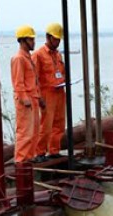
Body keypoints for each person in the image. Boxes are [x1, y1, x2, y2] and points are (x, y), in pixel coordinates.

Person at [32, 23, 66, 161]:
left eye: (59, 39)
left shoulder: (58, 55)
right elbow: (34, 78)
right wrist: (39, 97)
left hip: (59, 91)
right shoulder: (38, 55)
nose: (57, 42)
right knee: (46, 124)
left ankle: (54, 150)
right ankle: (39, 152)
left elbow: (61, 72)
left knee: (59, 123)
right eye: (55, 39)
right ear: (48, 37)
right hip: (47, 93)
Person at [11, 24, 43, 164]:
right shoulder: (19, 59)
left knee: (34, 131)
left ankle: (29, 157)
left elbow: (34, 80)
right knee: (25, 132)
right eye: (30, 39)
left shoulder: (28, 57)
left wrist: (39, 97)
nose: (33, 42)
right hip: (26, 101)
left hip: (33, 98)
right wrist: (25, 100)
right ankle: (21, 160)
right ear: (23, 40)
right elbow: (18, 82)